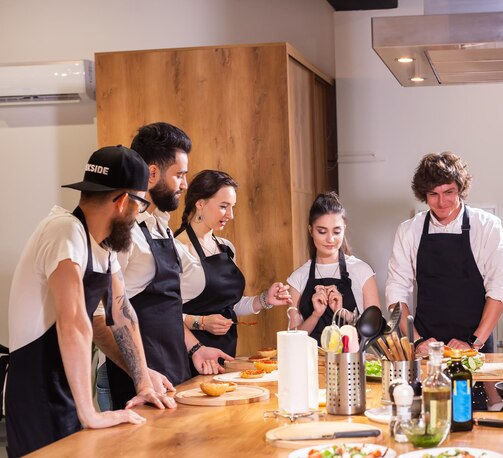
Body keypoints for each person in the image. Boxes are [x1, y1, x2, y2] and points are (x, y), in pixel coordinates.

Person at [5, 146, 176, 457]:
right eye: (139, 204)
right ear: (124, 201)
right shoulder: (64, 232)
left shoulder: (102, 248)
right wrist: (90, 414)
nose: (137, 214)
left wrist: (143, 383)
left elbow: (121, 313)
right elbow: (73, 322)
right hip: (36, 389)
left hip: (66, 386)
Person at [93, 123, 231, 411]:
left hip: (173, 374)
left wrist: (194, 348)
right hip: (139, 387)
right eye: (179, 175)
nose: (184, 184)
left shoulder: (162, 228)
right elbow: (99, 318)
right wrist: (141, 375)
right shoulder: (125, 233)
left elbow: (166, 308)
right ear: (152, 174)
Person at [386, 152, 503, 353]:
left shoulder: (488, 226)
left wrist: (474, 343)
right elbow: (396, 291)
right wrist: (417, 341)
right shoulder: (409, 230)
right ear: (423, 194)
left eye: (449, 192)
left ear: (461, 189)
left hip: (475, 345)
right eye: (433, 194)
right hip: (426, 344)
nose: (441, 202)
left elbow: (500, 290)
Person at [174, 170, 292, 370]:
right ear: (200, 203)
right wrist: (201, 322)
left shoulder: (225, 247)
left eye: (232, 207)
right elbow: (164, 313)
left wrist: (264, 300)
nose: (231, 215)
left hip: (224, 354)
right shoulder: (177, 249)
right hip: (187, 356)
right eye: (223, 207)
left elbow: (230, 306)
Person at [287, 192, 380, 344]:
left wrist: (343, 313)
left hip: (351, 363)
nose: (330, 239)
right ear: (311, 230)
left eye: (337, 231)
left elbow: (374, 330)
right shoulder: (297, 278)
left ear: (344, 228)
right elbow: (292, 338)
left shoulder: (362, 271)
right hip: (312, 363)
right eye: (322, 231)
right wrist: (315, 315)